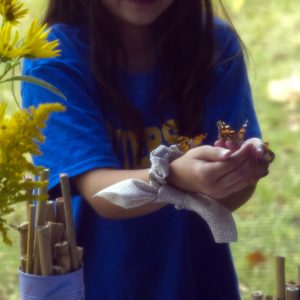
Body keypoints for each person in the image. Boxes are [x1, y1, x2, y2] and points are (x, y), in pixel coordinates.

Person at [21, 0, 270, 299]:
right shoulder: (51, 57)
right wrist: (174, 176)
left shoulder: (215, 46)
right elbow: (101, 194)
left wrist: (240, 171)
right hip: (98, 284)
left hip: (196, 279)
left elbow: (225, 202)